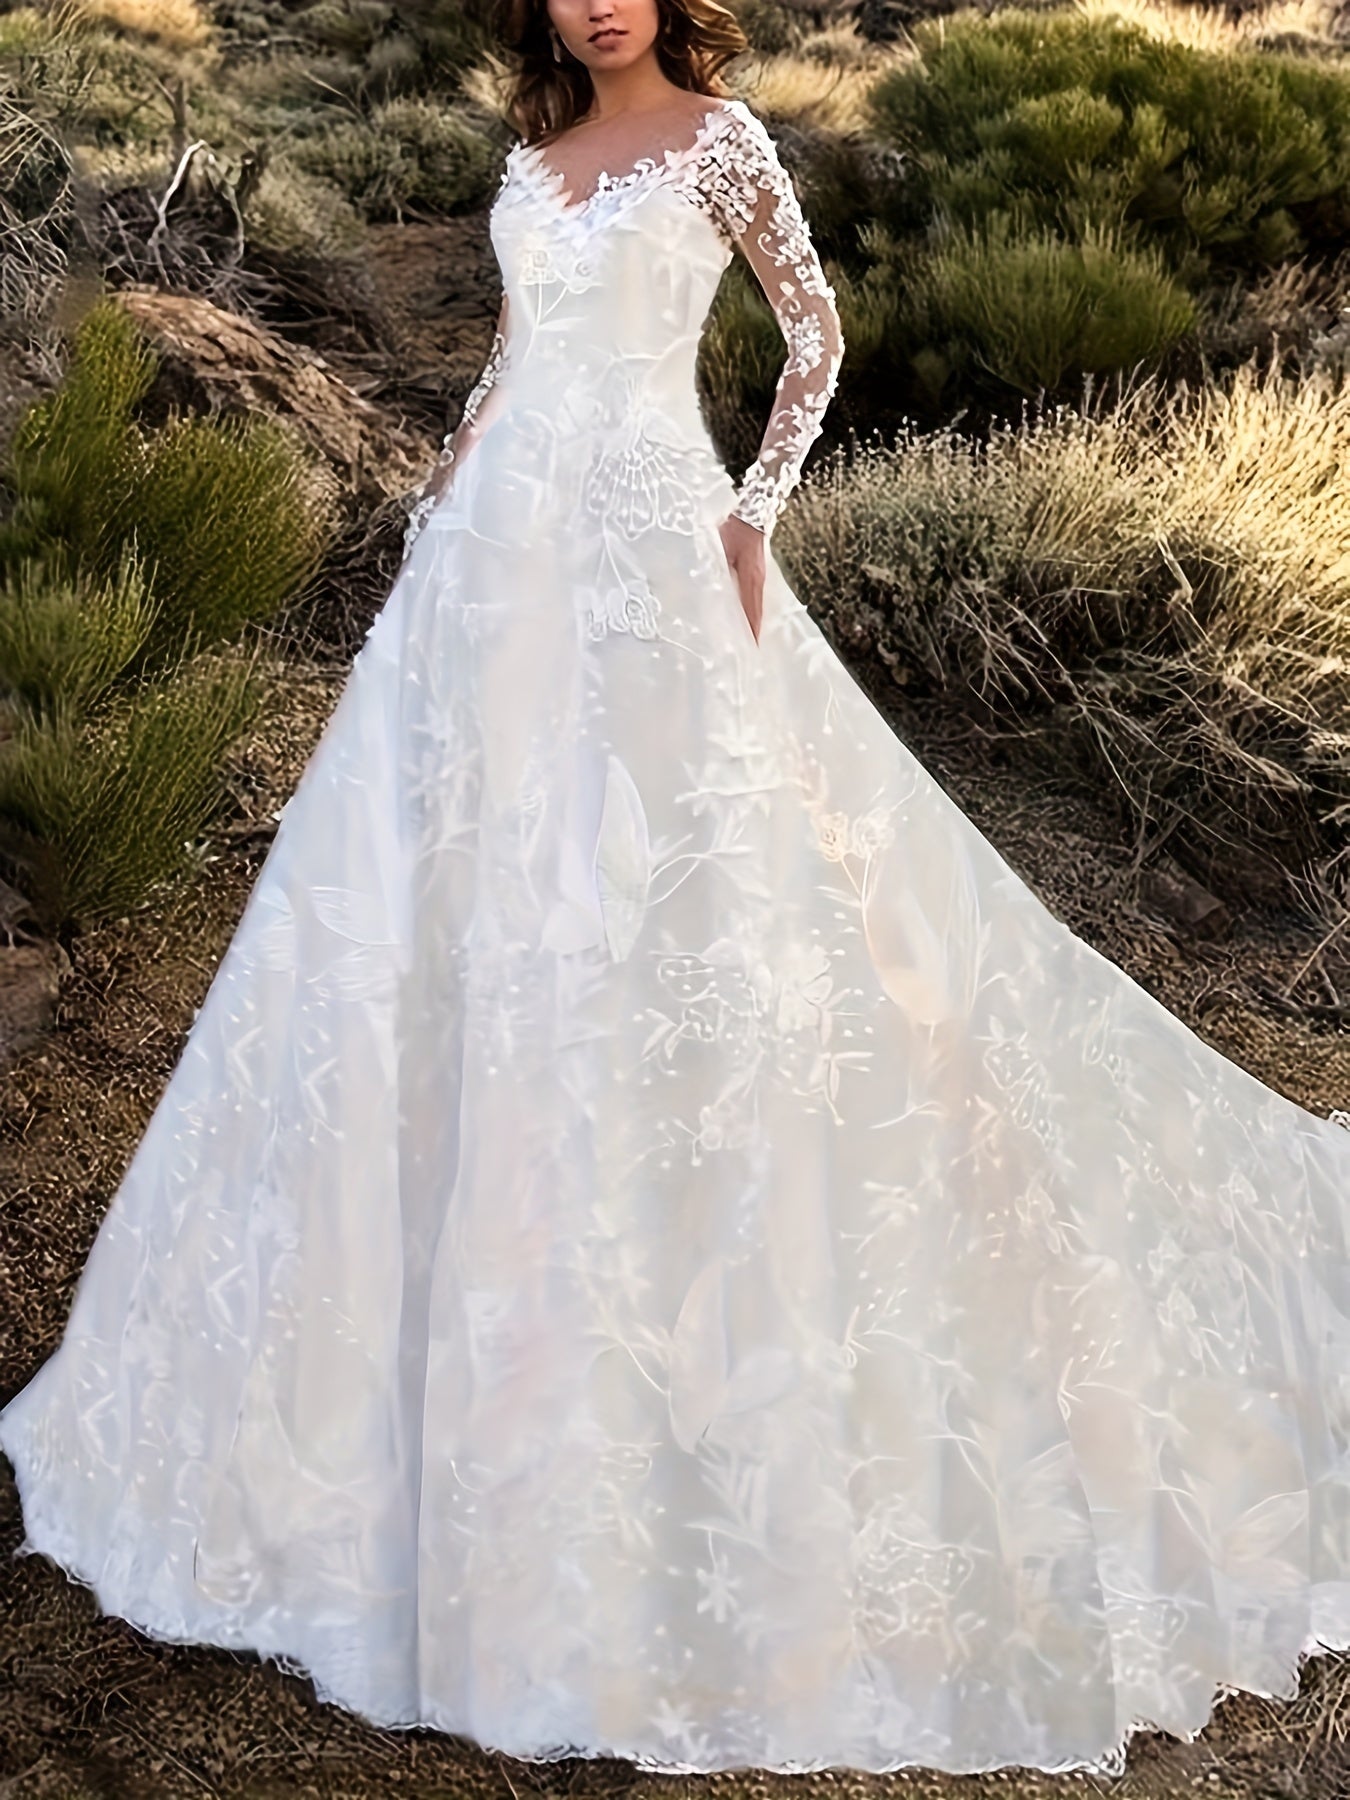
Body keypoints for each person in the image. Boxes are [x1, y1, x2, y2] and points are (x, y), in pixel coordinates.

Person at [2, 0, 1350, 1781]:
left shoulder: (722, 139)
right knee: (451, 912)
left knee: (698, 888)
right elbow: (505, 358)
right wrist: (451, 491)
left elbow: (816, 330)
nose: (598, 3)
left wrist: (754, 511)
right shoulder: (525, 157)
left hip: (652, 535)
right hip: (493, 570)